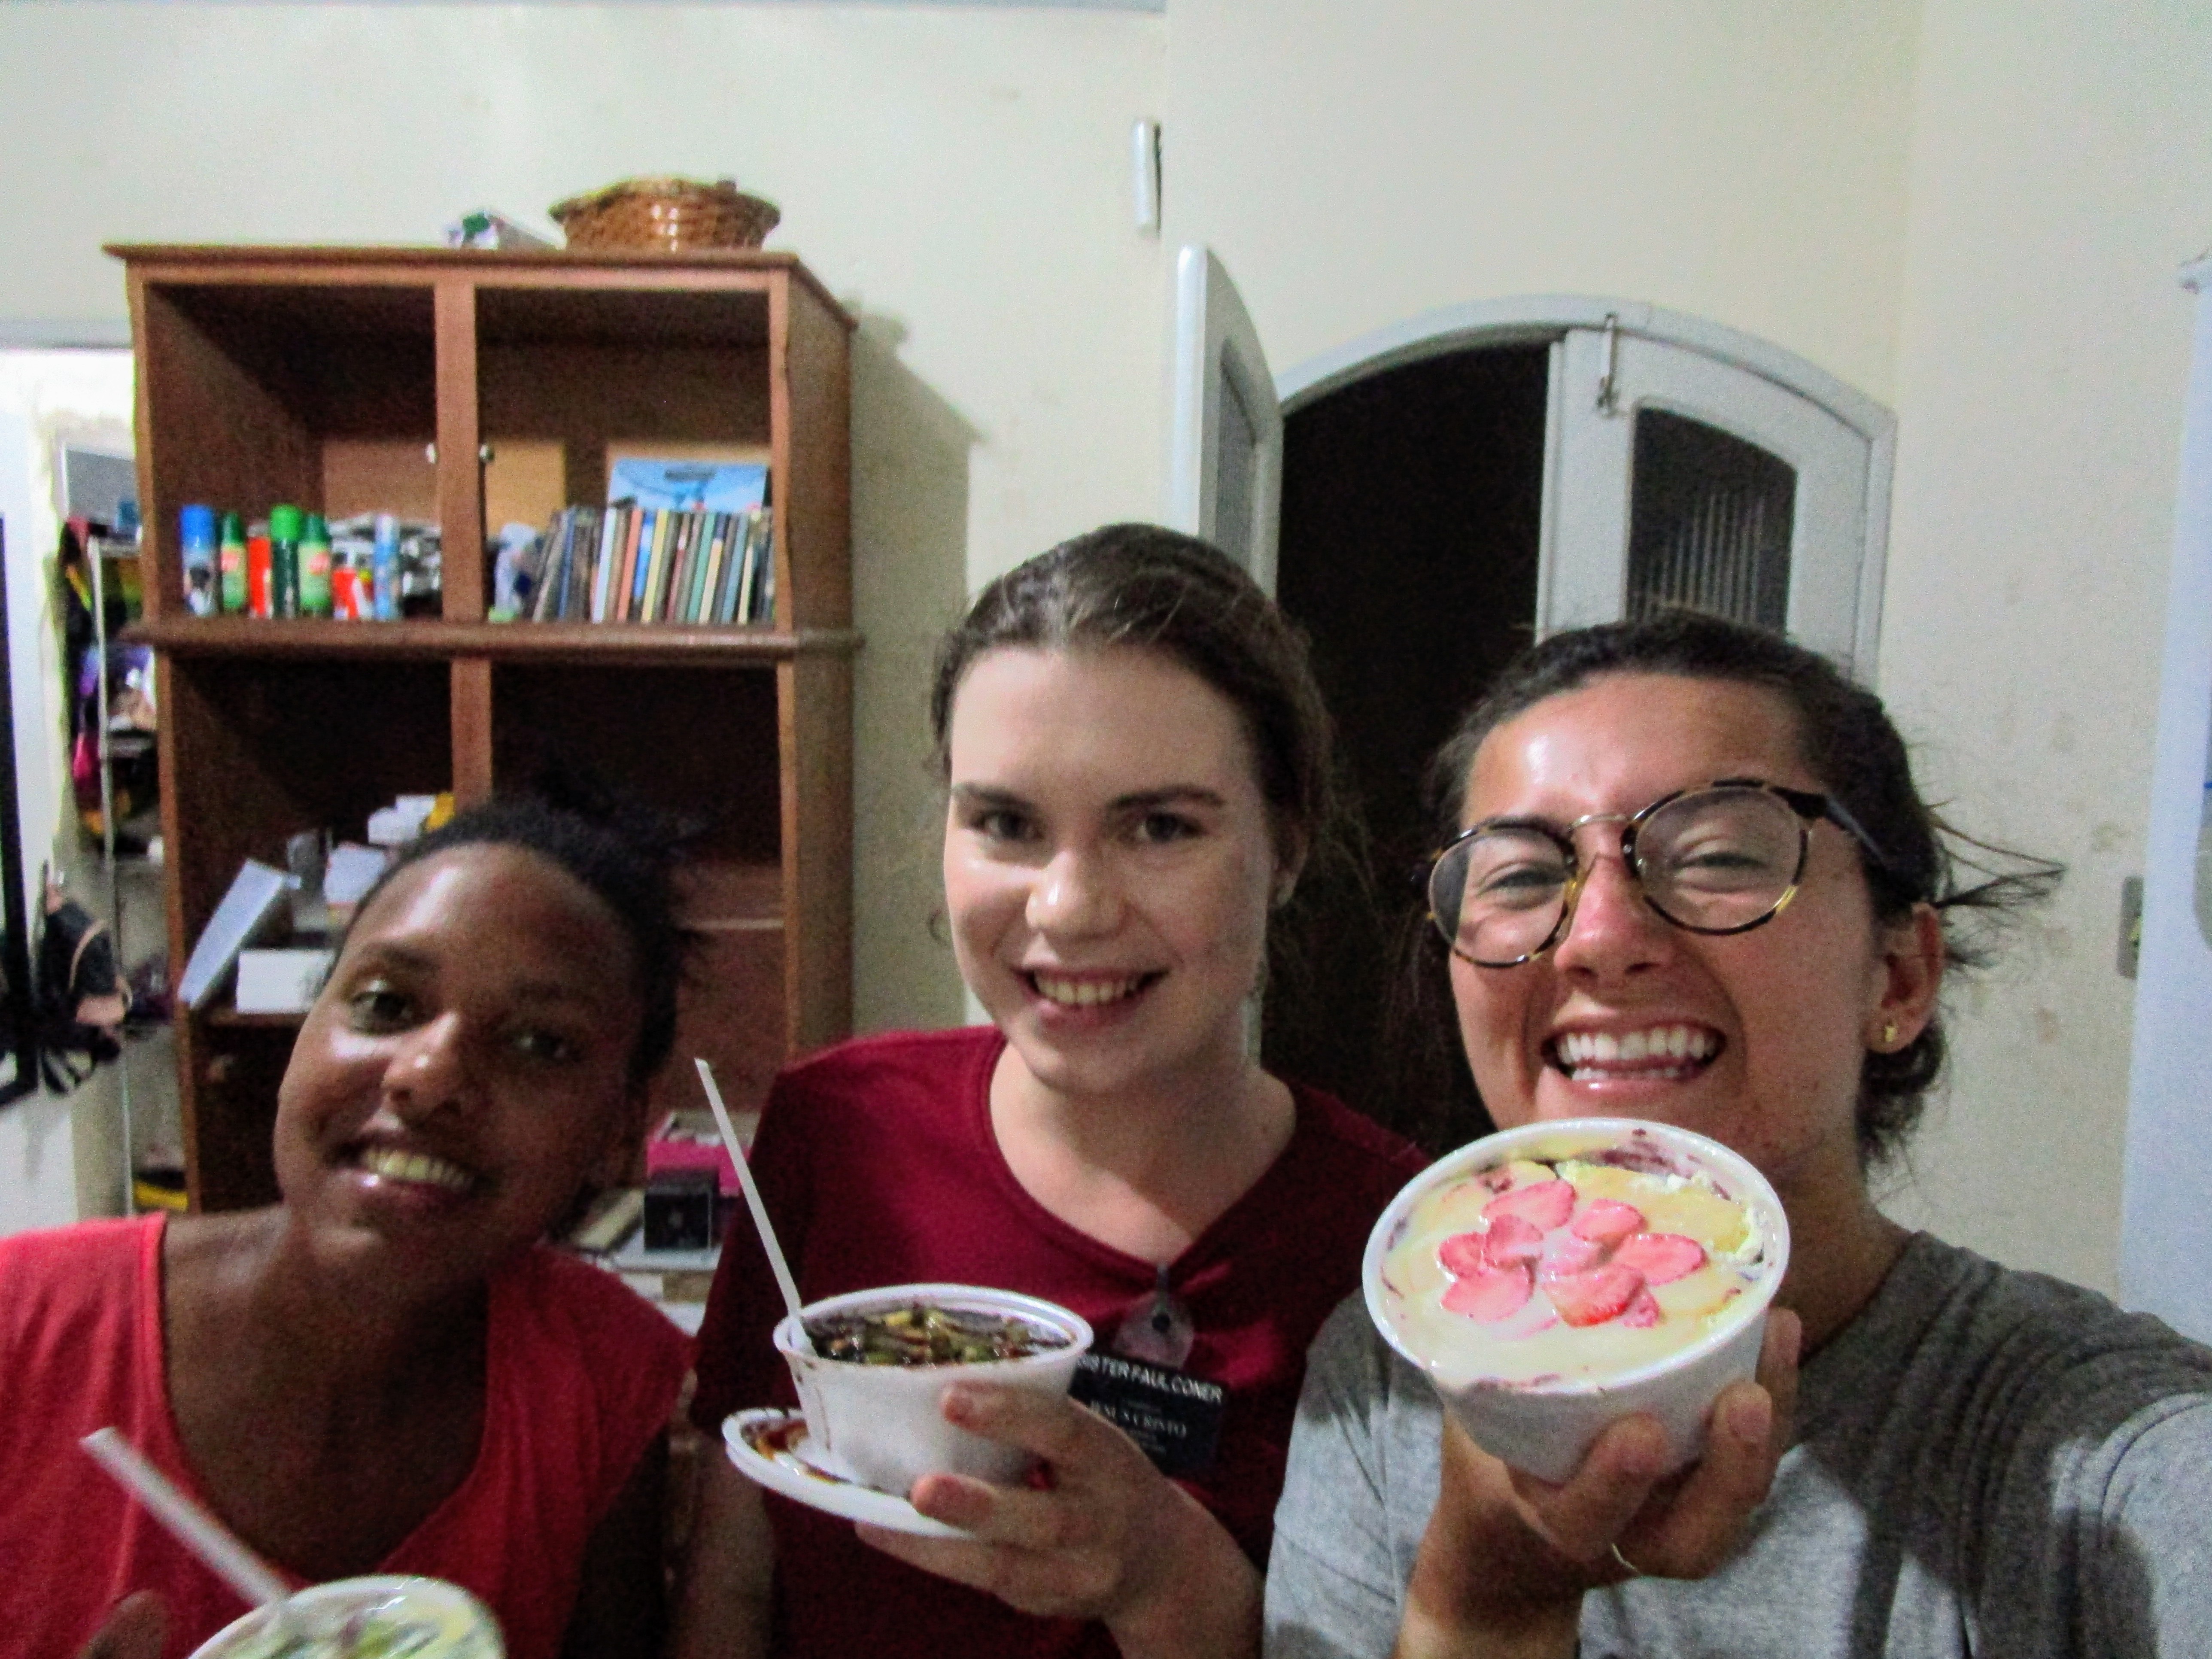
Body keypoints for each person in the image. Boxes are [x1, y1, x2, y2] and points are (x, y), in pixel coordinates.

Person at [1264, 611, 2212, 1659]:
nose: (1600, 937)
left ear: (1897, 976)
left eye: (1713, 855)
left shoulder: (2097, 1449)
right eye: (1524, 878)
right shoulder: (1388, 1383)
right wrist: (1480, 1611)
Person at [675, 524, 1428, 1659]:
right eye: (1008, 825)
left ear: (1286, 844)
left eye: (1160, 826)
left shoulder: (1401, 1247)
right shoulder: (841, 1133)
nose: (1067, 908)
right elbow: (735, 1578)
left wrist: (1159, 1573)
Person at [2, 794, 697, 1659]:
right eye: (384, 1003)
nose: (428, 1075)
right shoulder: (21, 1328)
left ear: (621, 1134)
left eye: (540, 1045)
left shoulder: (600, 1375)